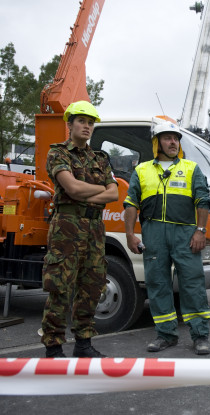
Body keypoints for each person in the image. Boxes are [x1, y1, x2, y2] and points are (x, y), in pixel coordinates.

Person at [124, 122, 210, 355]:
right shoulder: (142, 170)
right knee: (157, 284)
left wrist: (200, 231)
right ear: (157, 143)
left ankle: (200, 335)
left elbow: (203, 201)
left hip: (185, 233)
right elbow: (131, 203)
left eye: (176, 138)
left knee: (192, 284)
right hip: (153, 233)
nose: (173, 142)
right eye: (167, 138)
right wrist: (130, 234)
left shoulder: (191, 168)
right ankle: (165, 334)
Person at [41, 101, 119, 358]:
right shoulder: (58, 153)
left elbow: (115, 193)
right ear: (70, 124)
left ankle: (84, 343)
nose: (87, 126)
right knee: (61, 285)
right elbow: (72, 189)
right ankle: (53, 345)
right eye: (82, 121)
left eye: (90, 122)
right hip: (67, 226)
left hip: (95, 227)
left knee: (93, 284)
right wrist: (100, 191)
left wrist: (90, 192)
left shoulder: (100, 158)